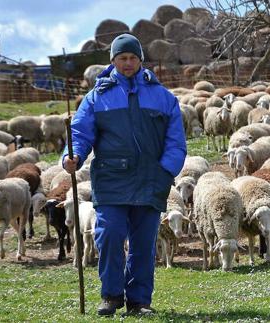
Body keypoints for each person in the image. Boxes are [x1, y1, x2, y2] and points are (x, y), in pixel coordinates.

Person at [62, 33, 187, 317]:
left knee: (143, 244)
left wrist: (164, 171)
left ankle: (139, 301)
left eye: (132, 58)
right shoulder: (97, 98)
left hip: (150, 180)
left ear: (141, 60)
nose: (128, 63)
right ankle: (111, 295)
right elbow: (80, 133)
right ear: (113, 61)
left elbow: (176, 142)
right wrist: (74, 157)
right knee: (108, 235)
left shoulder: (163, 97)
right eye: (122, 58)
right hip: (111, 180)